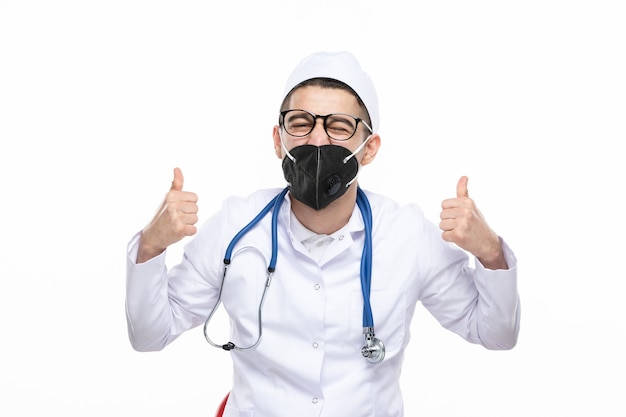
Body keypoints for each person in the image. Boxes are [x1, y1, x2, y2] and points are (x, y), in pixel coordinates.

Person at [125, 51, 520, 417]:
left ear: (369, 148)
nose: (316, 139)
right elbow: (150, 333)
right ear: (278, 140)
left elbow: (495, 333)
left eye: (338, 126)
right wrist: (151, 246)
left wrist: (489, 253)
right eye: (300, 122)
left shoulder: (406, 235)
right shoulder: (235, 227)